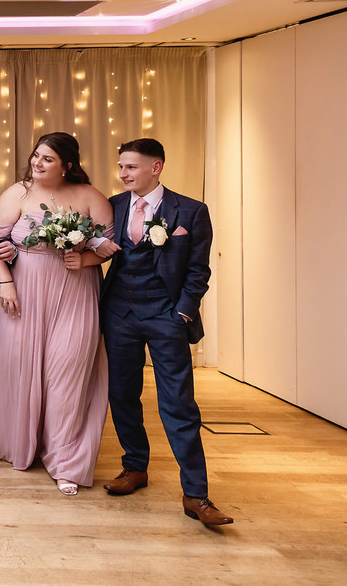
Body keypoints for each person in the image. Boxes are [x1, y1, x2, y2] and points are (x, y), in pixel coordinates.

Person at [0, 132, 112, 495]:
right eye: (36, 156)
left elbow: (109, 247)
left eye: (47, 159)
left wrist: (86, 257)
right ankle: (19, 442)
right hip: (22, 292)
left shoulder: (92, 197)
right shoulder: (19, 193)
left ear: (68, 166)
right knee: (16, 366)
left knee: (68, 372)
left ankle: (65, 459)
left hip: (74, 293)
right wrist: (6, 283)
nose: (37, 163)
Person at [96, 138, 232, 526]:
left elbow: (198, 271)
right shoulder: (113, 206)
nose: (123, 174)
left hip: (166, 315)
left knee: (178, 403)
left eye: (131, 167)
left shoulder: (190, 210)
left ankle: (196, 495)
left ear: (155, 167)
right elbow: (97, 248)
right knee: (122, 394)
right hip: (118, 313)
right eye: (121, 167)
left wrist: (183, 314)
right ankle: (135, 467)